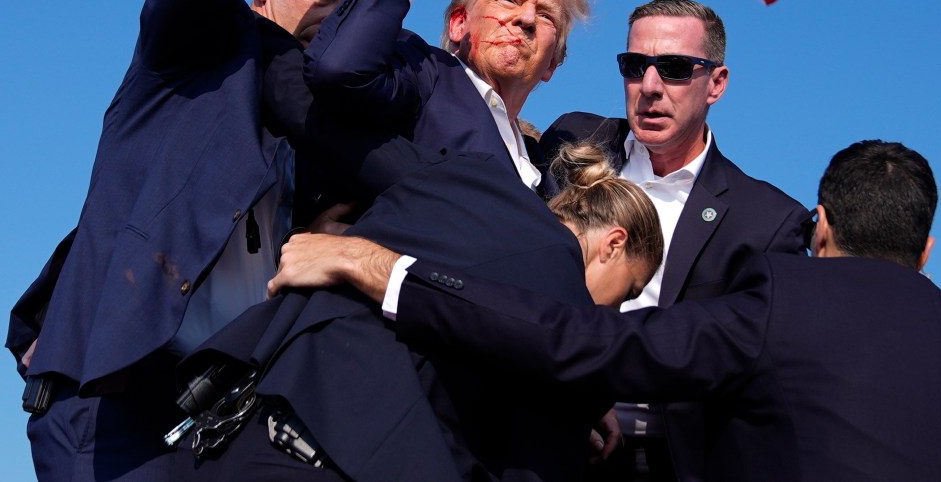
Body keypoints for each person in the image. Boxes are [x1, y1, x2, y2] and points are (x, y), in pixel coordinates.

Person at [3, 0, 474, 480]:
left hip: (227, 411)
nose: (333, 19)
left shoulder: (323, 123)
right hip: (113, 404)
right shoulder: (191, 51)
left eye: (349, 8)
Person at [293, 140, 941, 481]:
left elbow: (583, 341)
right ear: (928, 250)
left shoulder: (785, 301)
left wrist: (384, 268)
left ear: (821, 226)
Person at [172, 136, 661, 481]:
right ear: (613, 243)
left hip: (240, 428)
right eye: (628, 290)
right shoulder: (571, 319)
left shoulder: (468, 182)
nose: (613, 311)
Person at [540, 0, 810, 478]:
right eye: (634, 65)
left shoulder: (766, 222)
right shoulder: (569, 140)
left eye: (674, 68)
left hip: (663, 461)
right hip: (537, 429)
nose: (649, 86)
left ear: (717, 84)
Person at [303, 0, 590, 197]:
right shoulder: (423, 74)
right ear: (459, 24)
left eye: (546, 16)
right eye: (509, 0)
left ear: (551, 63)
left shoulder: (544, 174)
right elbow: (340, 69)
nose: (526, 18)